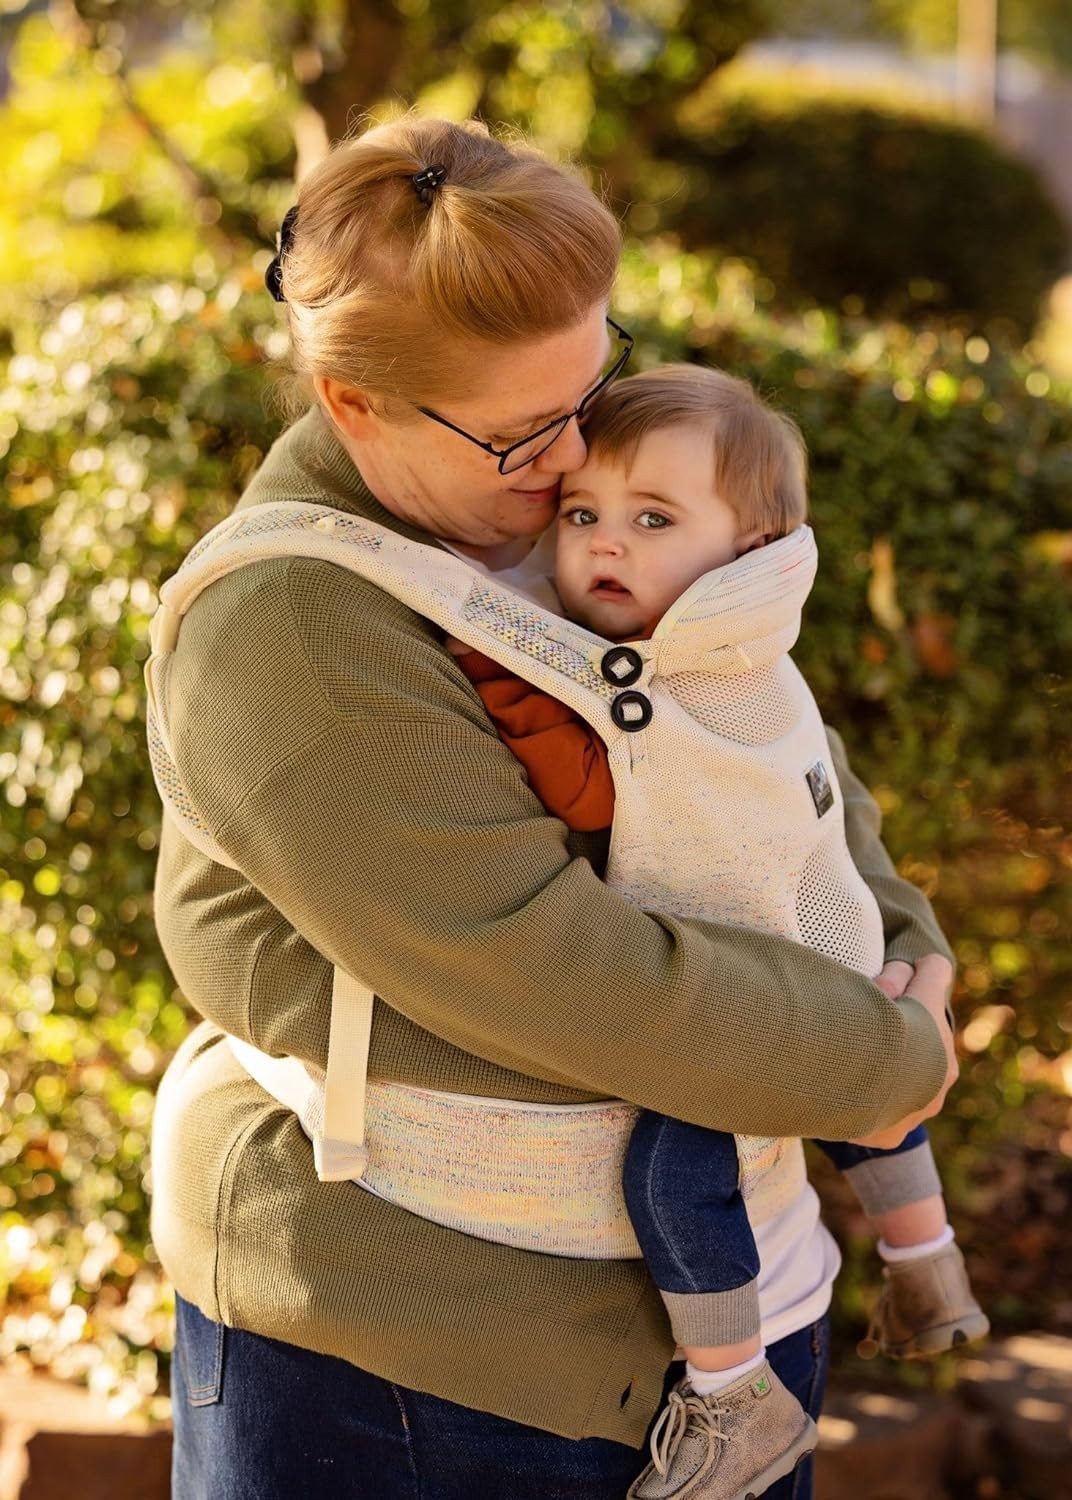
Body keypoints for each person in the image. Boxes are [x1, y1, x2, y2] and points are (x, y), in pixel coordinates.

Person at [147, 115, 958, 1500]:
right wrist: (877, 1058)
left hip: (730, 1306)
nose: (577, 462)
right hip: (417, 1365)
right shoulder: (289, 629)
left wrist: (895, 934)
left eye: (594, 386)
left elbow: (763, 738)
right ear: (354, 405)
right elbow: (545, 970)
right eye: (523, 435)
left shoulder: (541, 513)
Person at [449, 364, 987, 1499]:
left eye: (652, 520)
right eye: (582, 514)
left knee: (672, 1176)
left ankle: (735, 1394)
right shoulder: (759, 646)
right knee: (876, 1117)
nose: (604, 546)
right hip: (833, 945)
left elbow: (599, 797)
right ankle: (926, 1265)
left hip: (742, 994)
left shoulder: (661, 678)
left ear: (751, 544)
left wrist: (503, 693)